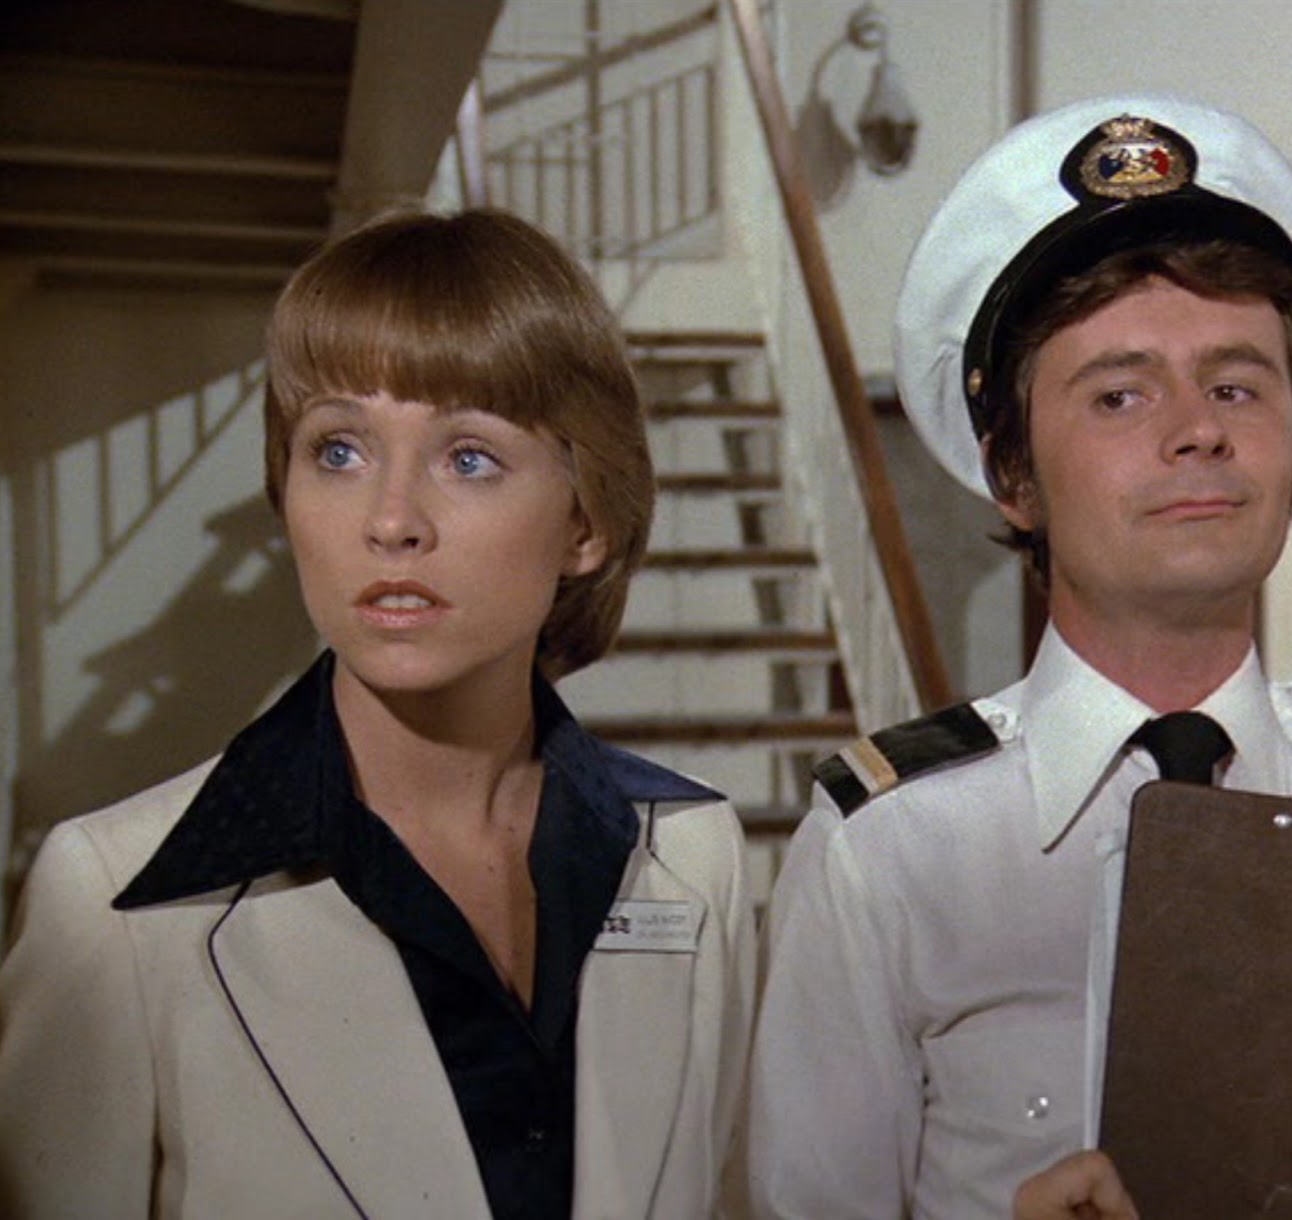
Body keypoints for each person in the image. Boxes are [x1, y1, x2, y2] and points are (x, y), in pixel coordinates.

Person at [744, 94, 1292, 1218]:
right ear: (1013, 474)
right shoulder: (893, 852)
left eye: (1238, 384)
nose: (1196, 427)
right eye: (1119, 393)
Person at [0, 208, 754, 1219]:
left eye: (469, 457)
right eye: (340, 449)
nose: (391, 520)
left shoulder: (696, 855)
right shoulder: (110, 901)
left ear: (585, 520)